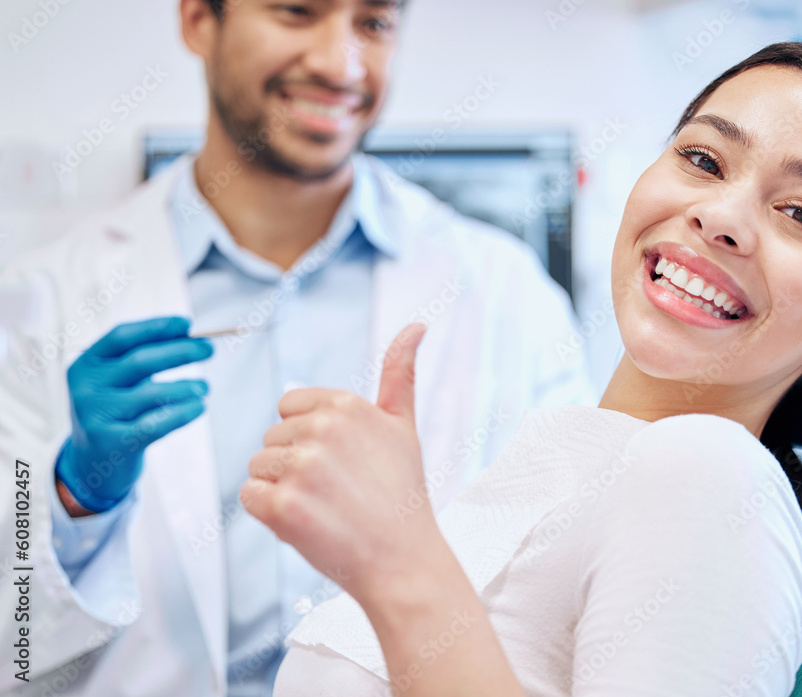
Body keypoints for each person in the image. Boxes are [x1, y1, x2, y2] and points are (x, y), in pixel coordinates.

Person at [242, 42, 802, 696]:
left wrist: (397, 562)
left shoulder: (711, 477)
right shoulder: (564, 466)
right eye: (703, 160)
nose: (721, 216)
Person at [0, 1, 593, 695]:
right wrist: (73, 497)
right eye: (296, 11)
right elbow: (14, 645)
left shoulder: (504, 293)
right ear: (198, 21)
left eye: (372, 24)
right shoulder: (45, 301)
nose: (338, 63)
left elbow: (566, 596)